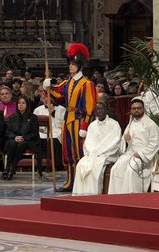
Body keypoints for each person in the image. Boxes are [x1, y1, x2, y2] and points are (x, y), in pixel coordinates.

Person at [43, 43, 97, 192]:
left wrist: (85, 126)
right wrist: (48, 86)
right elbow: (58, 95)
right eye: (70, 64)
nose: (70, 67)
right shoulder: (67, 83)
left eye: (73, 65)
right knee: (68, 153)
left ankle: (81, 182)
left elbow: (90, 107)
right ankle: (70, 182)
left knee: (79, 152)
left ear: (79, 66)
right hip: (67, 119)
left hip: (79, 120)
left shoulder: (87, 84)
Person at [108, 97, 159, 194]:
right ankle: (117, 198)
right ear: (131, 110)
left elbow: (155, 143)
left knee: (131, 171)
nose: (136, 110)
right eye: (134, 108)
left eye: (139, 108)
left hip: (144, 156)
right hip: (130, 153)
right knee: (115, 170)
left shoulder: (151, 124)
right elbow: (124, 140)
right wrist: (125, 139)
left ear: (143, 109)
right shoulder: (131, 123)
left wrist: (141, 154)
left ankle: (132, 198)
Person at [72, 101, 122, 195]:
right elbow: (89, 142)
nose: (99, 111)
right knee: (80, 165)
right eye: (97, 109)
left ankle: (93, 195)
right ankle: (80, 195)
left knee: (95, 167)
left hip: (107, 154)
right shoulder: (92, 125)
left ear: (106, 110)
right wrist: (92, 152)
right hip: (92, 154)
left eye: (101, 109)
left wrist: (98, 152)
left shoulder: (114, 124)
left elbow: (113, 142)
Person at [2, 97, 42, 180]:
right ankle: (8, 168)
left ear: (27, 105)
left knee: (21, 144)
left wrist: (24, 138)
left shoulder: (33, 117)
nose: (21, 105)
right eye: (19, 103)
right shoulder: (12, 117)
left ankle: (12, 167)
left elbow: (34, 133)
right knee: (12, 143)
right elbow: (7, 131)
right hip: (14, 139)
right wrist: (14, 137)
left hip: (29, 141)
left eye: (23, 103)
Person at [33, 92, 66, 170]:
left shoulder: (61, 109)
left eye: (48, 98)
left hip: (56, 131)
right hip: (42, 131)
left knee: (53, 139)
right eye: (44, 98)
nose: (46, 100)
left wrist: (52, 112)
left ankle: (56, 164)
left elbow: (61, 124)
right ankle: (41, 164)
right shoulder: (38, 110)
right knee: (39, 139)